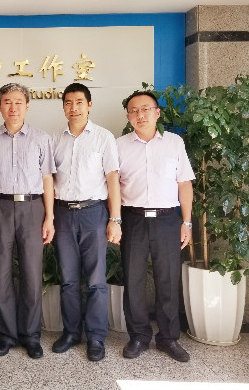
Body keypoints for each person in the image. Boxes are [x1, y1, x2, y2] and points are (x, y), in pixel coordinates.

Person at [0, 82, 55, 359]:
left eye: (18, 102)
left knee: (32, 275)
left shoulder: (41, 139)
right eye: (7, 102)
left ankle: (31, 335)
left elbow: (47, 179)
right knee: (0, 273)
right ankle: (7, 335)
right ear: (0, 106)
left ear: (27, 106)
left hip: (32, 208)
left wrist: (50, 217)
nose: (13, 107)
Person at [117, 91, 194, 362]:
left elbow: (184, 183)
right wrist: (114, 221)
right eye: (134, 111)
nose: (140, 115)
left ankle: (168, 338)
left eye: (146, 109)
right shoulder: (118, 145)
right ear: (128, 117)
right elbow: (112, 186)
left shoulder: (174, 143)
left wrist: (186, 222)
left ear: (157, 113)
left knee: (168, 279)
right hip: (132, 218)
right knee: (133, 280)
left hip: (167, 219)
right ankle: (138, 336)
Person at [50, 82, 121, 361]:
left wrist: (115, 219)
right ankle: (71, 333)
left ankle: (96, 337)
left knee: (95, 280)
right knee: (68, 279)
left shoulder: (103, 138)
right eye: (68, 103)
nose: (74, 108)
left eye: (79, 102)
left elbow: (113, 179)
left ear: (89, 105)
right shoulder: (54, 139)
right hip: (63, 213)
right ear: (63, 107)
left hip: (94, 213)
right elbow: (48, 180)